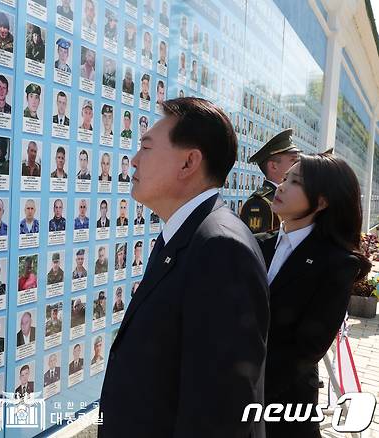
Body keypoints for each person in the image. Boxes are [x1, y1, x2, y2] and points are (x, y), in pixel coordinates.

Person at [99, 98, 269, 437]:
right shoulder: (188, 235)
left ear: (189, 162)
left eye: (146, 147)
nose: (133, 161)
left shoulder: (220, 249)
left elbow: (220, 412)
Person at [255, 153, 371, 438]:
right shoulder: (258, 245)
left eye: (295, 182)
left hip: (282, 403)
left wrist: (246, 385)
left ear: (321, 201)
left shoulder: (337, 263)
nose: (281, 187)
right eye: (284, 178)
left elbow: (308, 348)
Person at [241, 129, 300, 233]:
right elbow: (257, 246)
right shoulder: (259, 203)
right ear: (273, 166)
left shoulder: (288, 196)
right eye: (293, 160)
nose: (298, 164)